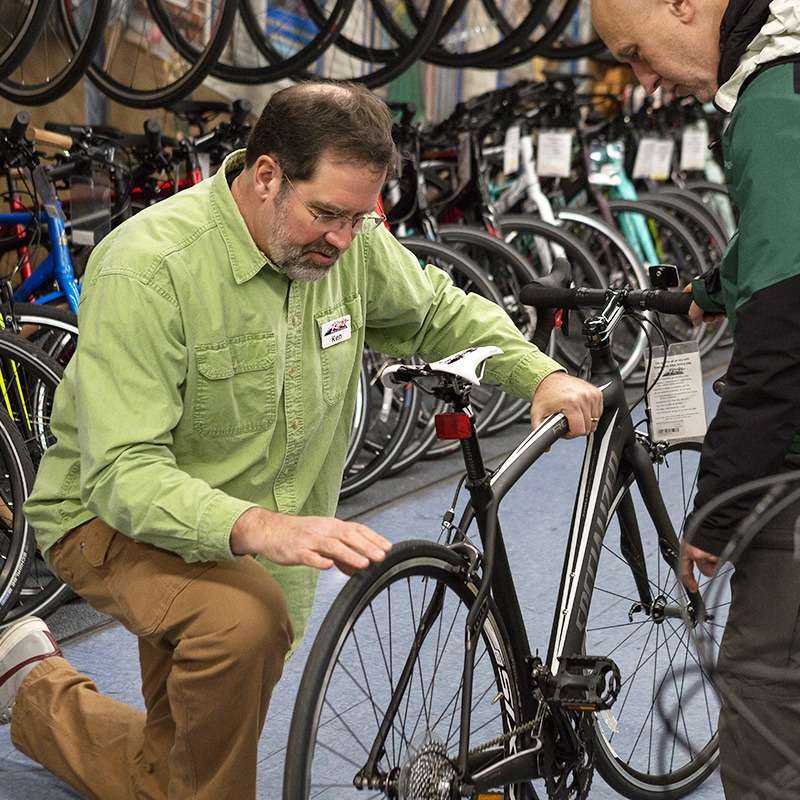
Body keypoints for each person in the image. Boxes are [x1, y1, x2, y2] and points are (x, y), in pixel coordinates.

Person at [0, 82, 601, 799]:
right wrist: (257, 525)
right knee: (241, 626)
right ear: (265, 177)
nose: (344, 241)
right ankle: (40, 694)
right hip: (111, 517)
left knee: (178, 770)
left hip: (262, 545)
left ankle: (33, 693)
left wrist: (538, 375)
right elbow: (123, 471)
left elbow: (439, 313)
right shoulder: (150, 267)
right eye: (326, 214)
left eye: (359, 218)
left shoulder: (346, 245)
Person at [591, 1, 800, 797]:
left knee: (768, 722)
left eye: (638, 52)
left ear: (682, 5)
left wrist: (714, 511)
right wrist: (716, 289)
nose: (644, 78)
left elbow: (784, 334)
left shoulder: (776, 100)